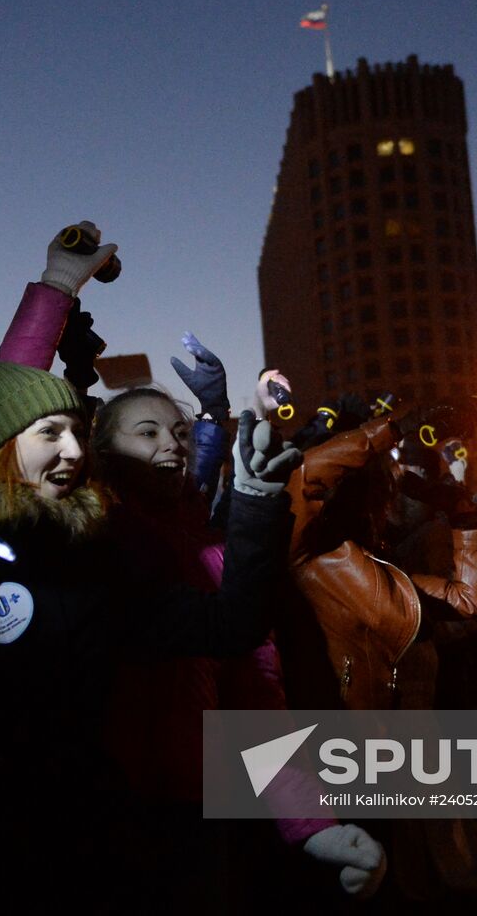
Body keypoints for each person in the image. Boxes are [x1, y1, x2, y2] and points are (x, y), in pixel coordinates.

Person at [95, 347, 387, 906]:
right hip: (102, 820)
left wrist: (313, 823)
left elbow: (256, 697)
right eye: (148, 433)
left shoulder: (214, 555)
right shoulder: (87, 546)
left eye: (180, 433)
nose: (172, 445)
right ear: (103, 452)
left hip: (197, 816)